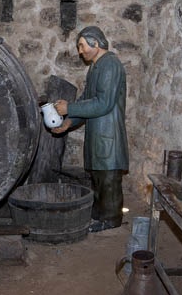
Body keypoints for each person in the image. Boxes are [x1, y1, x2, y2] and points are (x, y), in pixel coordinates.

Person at [52, 26, 127, 233]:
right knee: (98, 176)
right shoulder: (96, 67)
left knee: (108, 178)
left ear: (95, 43)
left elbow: (103, 103)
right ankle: (100, 212)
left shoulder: (110, 65)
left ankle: (111, 218)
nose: (80, 51)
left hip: (108, 132)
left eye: (82, 45)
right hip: (98, 131)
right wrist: (69, 121)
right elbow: (87, 98)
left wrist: (69, 108)